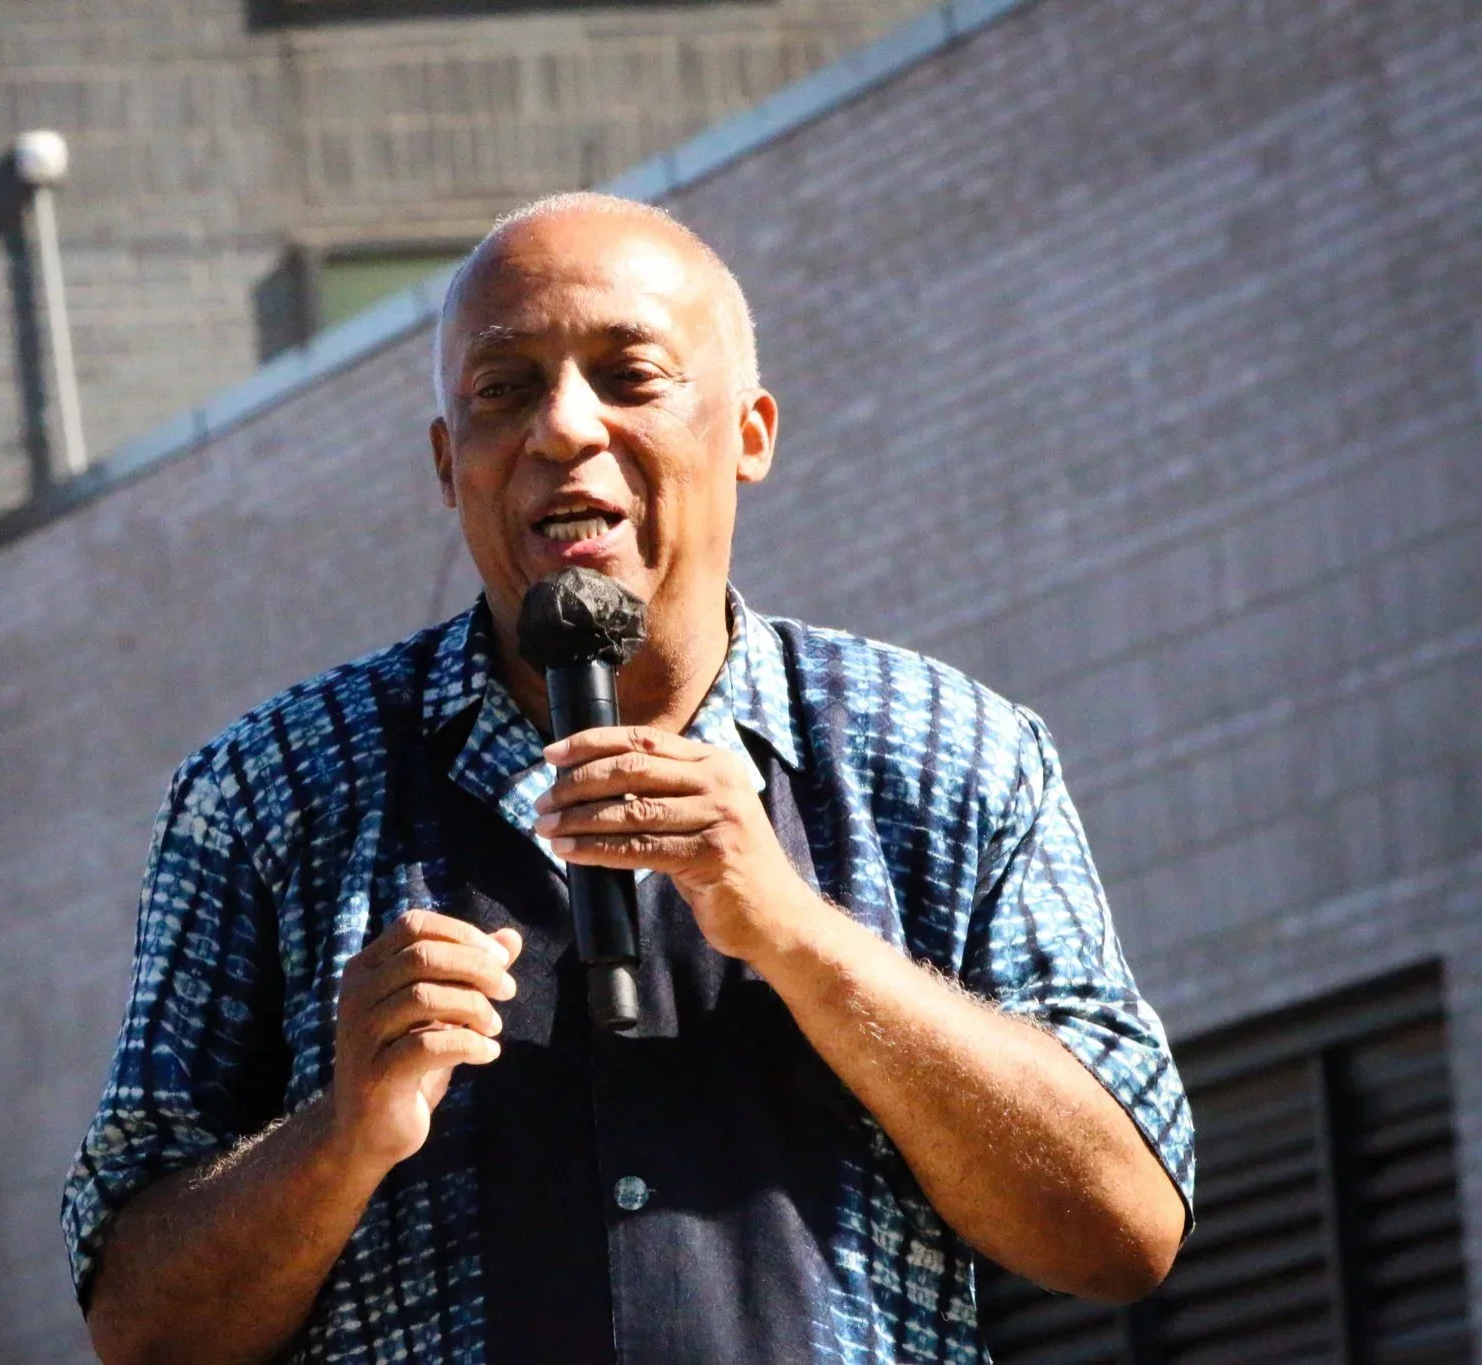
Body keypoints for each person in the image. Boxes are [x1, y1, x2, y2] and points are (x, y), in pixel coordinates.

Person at [61, 191, 1193, 1364]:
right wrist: (341, 1137)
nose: (561, 429)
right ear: (448, 465)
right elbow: (140, 1327)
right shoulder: (270, 793)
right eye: (503, 391)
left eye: (628, 375)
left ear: (749, 432)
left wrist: (801, 941)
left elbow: (1122, 1233)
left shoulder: (947, 753)